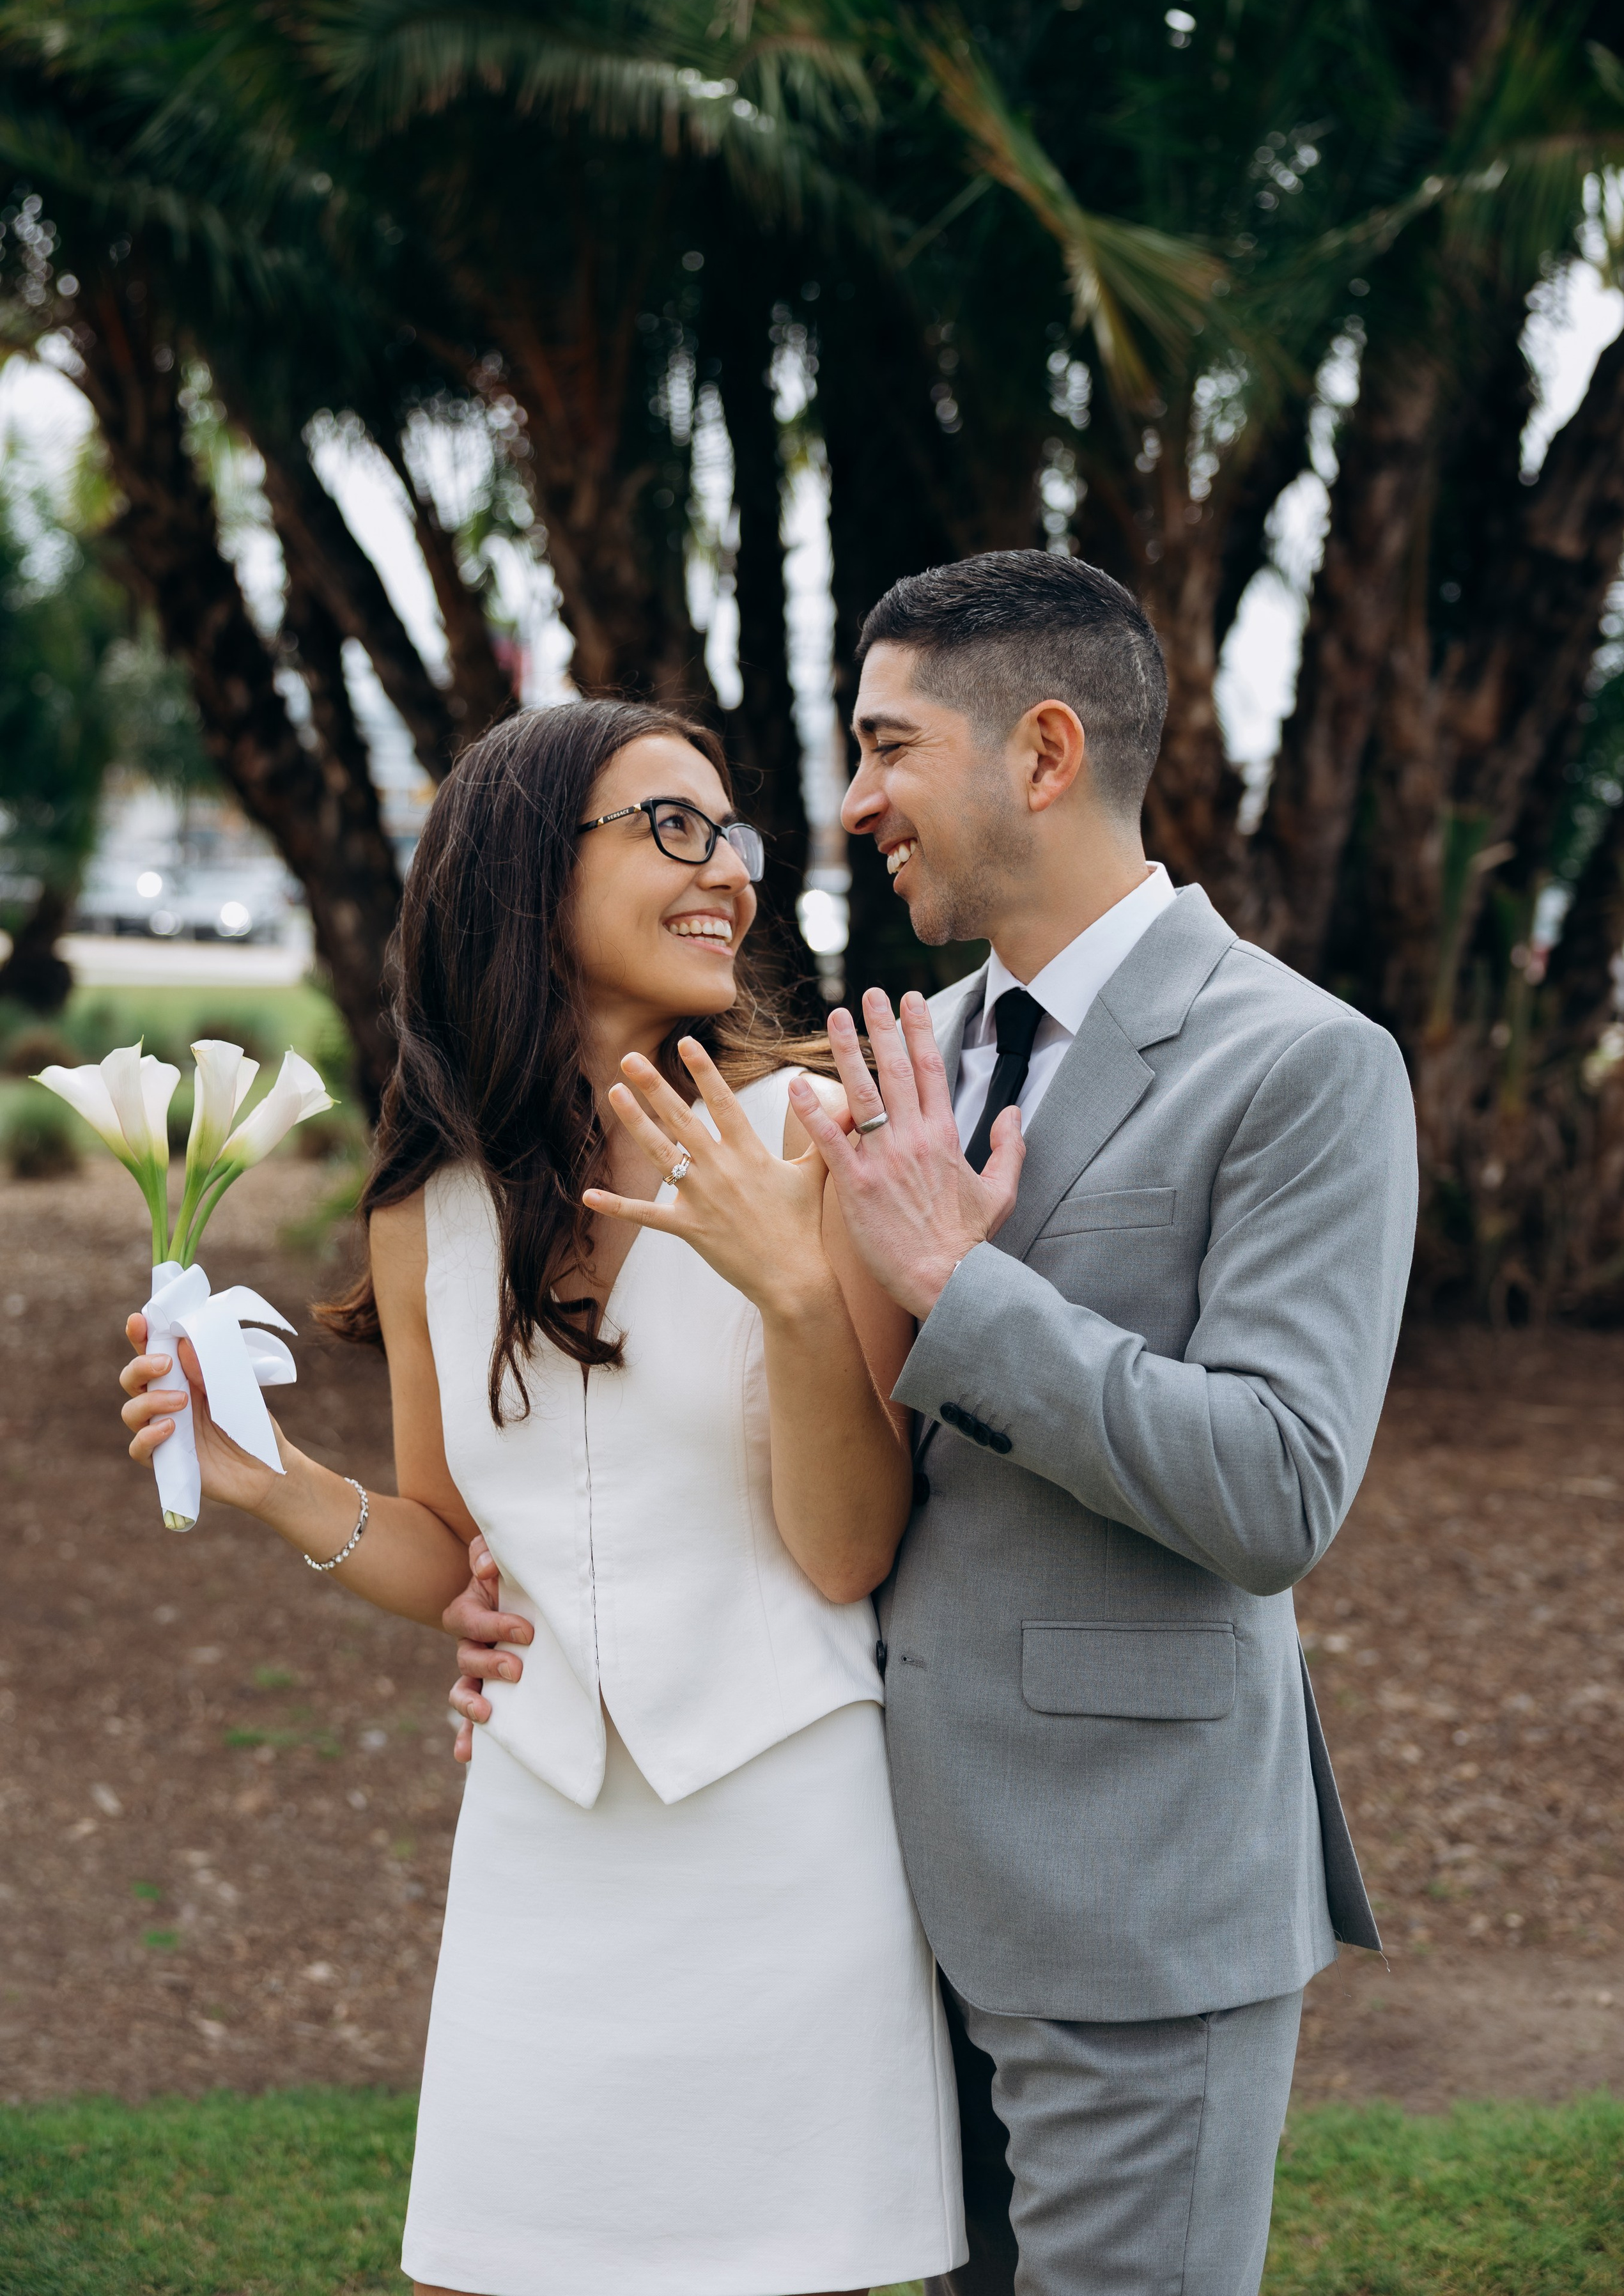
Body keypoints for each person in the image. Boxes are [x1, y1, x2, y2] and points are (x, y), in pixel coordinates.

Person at [451, 550, 1419, 2296]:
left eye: (887, 746)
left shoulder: (1302, 1064)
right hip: (878, 1902)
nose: (851, 802)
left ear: (1040, 753)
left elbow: (1280, 1488)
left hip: (1132, 1905)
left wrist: (969, 1298)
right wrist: (528, 1601)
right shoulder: (879, 1061)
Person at [116, 699, 964, 2296]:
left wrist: (792, 1287)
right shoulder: (422, 1211)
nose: (725, 872)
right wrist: (268, 1480)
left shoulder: (809, 1141)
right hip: (537, 1843)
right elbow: (457, 1555)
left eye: (732, 838)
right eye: (669, 828)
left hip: (786, 1839)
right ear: (520, 872)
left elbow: (849, 1551)